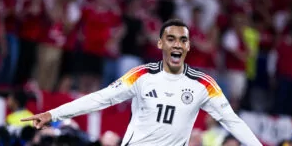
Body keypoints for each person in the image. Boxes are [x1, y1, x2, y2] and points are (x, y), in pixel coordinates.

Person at [21, 19, 262, 146]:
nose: (177, 44)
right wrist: (53, 114)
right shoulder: (141, 75)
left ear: (188, 46)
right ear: (160, 44)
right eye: (170, 39)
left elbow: (232, 121)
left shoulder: (204, 84)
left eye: (182, 40)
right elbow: (99, 98)